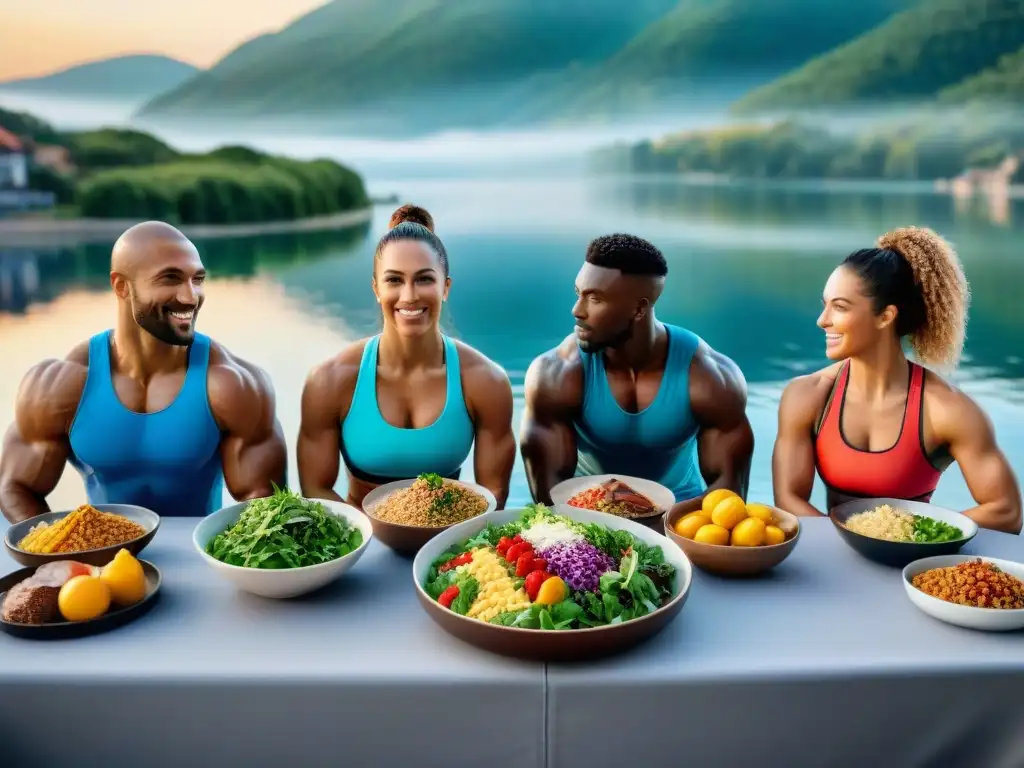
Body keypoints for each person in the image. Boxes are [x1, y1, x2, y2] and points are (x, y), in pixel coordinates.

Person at [0, 221, 287, 523]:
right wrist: (58, 555)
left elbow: (265, 503)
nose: (190, 297)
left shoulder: (233, 385)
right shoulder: (59, 387)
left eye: (197, 279)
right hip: (104, 559)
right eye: (170, 279)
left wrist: (225, 558)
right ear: (121, 286)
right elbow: (16, 487)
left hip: (201, 556)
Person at [772, 226, 1022, 534]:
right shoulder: (807, 395)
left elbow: (1006, 511)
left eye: (839, 307)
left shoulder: (947, 410)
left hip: (912, 566)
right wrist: (855, 542)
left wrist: (913, 535)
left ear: (885, 317)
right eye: (825, 304)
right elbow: (787, 500)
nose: (823, 320)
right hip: (831, 558)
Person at [297, 204, 515, 508]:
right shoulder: (330, 379)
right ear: (376, 288)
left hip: (448, 547)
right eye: (394, 280)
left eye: (424, 279)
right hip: (362, 545)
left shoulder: (485, 380)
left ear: (445, 287)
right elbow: (315, 487)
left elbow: (493, 496)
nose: (409, 295)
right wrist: (367, 538)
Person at [520, 233, 754, 516]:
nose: (577, 311)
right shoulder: (555, 374)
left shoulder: (710, 377)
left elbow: (729, 489)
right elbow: (549, 494)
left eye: (595, 299)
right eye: (578, 293)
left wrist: (666, 525)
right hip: (587, 512)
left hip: (681, 513)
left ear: (639, 308)